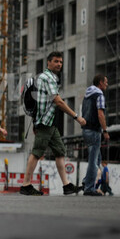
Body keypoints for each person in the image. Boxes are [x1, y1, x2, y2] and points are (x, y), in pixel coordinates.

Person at [20, 51, 86, 196]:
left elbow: (41, 101)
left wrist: (35, 122)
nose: (59, 64)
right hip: (45, 122)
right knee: (37, 152)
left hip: (49, 122)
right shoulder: (48, 78)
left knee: (60, 151)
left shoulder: (45, 77)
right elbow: (58, 101)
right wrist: (76, 117)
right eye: (56, 61)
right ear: (48, 62)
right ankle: (26, 185)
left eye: (61, 62)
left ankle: (66, 185)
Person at [81, 74, 110, 197]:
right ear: (100, 83)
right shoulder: (99, 95)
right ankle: (88, 188)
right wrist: (105, 131)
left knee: (97, 159)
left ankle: (85, 181)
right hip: (94, 130)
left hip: (86, 129)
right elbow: (100, 114)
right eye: (106, 82)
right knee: (93, 161)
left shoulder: (87, 95)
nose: (107, 84)